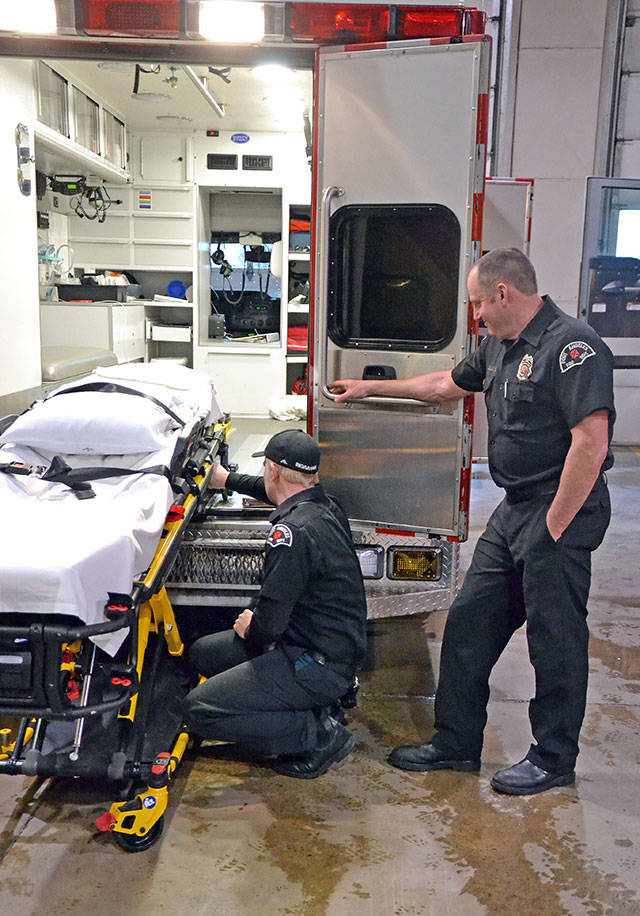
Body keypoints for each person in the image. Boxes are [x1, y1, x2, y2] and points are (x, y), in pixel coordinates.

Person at [329, 248, 615, 795]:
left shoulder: (572, 347)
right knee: (468, 624)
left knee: (554, 642)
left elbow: (591, 441)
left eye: (479, 303)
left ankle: (553, 759)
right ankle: (456, 744)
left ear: (504, 293)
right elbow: (443, 385)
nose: (476, 314)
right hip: (514, 511)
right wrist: (371, 388)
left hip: (558, 511)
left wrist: (554, 526)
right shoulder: (498, 348)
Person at [183, 429, 367, 779]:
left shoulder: (291, 534)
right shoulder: (323, 505)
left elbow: (267, 627)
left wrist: (249, 626)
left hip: (314, 663)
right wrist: (227, 480)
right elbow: (275, 492)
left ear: (273, 470)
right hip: (331, 648)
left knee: (199, 709)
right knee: (204, 653)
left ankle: (317, 736)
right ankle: (314, 706)